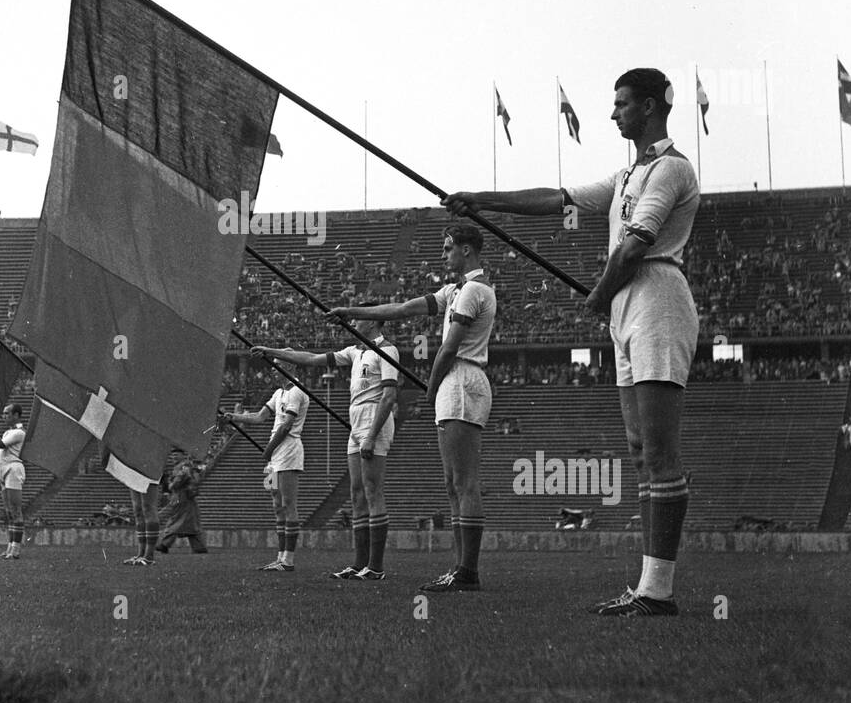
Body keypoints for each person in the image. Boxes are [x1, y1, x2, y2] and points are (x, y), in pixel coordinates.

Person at [445, 67, 700, 616]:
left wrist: (597, 295)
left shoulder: (672, 169)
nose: (613, 113)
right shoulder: (626, 175)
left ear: (651, 106)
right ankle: (650, 589)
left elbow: (634, 247)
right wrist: (481, 202)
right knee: (639, 452)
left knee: (658, 452)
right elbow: (554, 198)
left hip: (655, 300)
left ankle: (658, 591)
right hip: (629, 307)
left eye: (623, 103)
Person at [329, 225, 496, 592]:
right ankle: (461, 569)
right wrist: (350, 310)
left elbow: (449, 347)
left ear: (467, 251)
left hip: (462, 379)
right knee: (454, 483)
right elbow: (405, 308)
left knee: (463, 481)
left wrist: (432, 388)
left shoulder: (473, 291)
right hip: (457, 382)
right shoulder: (455, 290)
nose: (443, 254)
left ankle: (467, 571)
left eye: (449, 248)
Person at [252, 314, 399, 581]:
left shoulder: (387, 350)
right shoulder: (354, 352)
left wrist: (371, 435)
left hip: (373, 417)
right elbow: (310, 358)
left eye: (358, 321)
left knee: (372, 491)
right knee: (356, 494)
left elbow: (389, 396)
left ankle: (375, 567)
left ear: (374, 322)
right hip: (356, 420)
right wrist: (268, 350)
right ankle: (359, 563)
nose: (353, 325)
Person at [221, 369, 310, 571]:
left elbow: (287, 425)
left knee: (288, 504)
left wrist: (268, 450)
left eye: (275, 366)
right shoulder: (278, 393)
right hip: (273, 456)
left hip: (287, 452)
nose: (272, 371)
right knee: (276, 504)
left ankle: (288, 559)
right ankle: (279, 557)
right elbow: (260, 416)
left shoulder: (297, 391)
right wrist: (234, 417)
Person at [0, 403, 26, 560]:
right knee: (9, 513)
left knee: (16, 511)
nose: (4, 416)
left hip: (13, 470)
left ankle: (16, 549)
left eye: (7, 413)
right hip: (3, 473)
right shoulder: (7, 432)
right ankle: (9, 548)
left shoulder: (19, 432)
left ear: (16, 415)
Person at [156, 455, 208, 554]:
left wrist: (171, 485)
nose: (173, 458)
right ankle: (198, 547)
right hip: (185, 497)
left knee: (180, 520)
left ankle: (164, 544)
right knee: (189, 521)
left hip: (182, 497)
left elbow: (178, 480)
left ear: (181, 455)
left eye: (176, 455)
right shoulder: (185, 466)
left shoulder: (183, 467)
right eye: (173, 456)